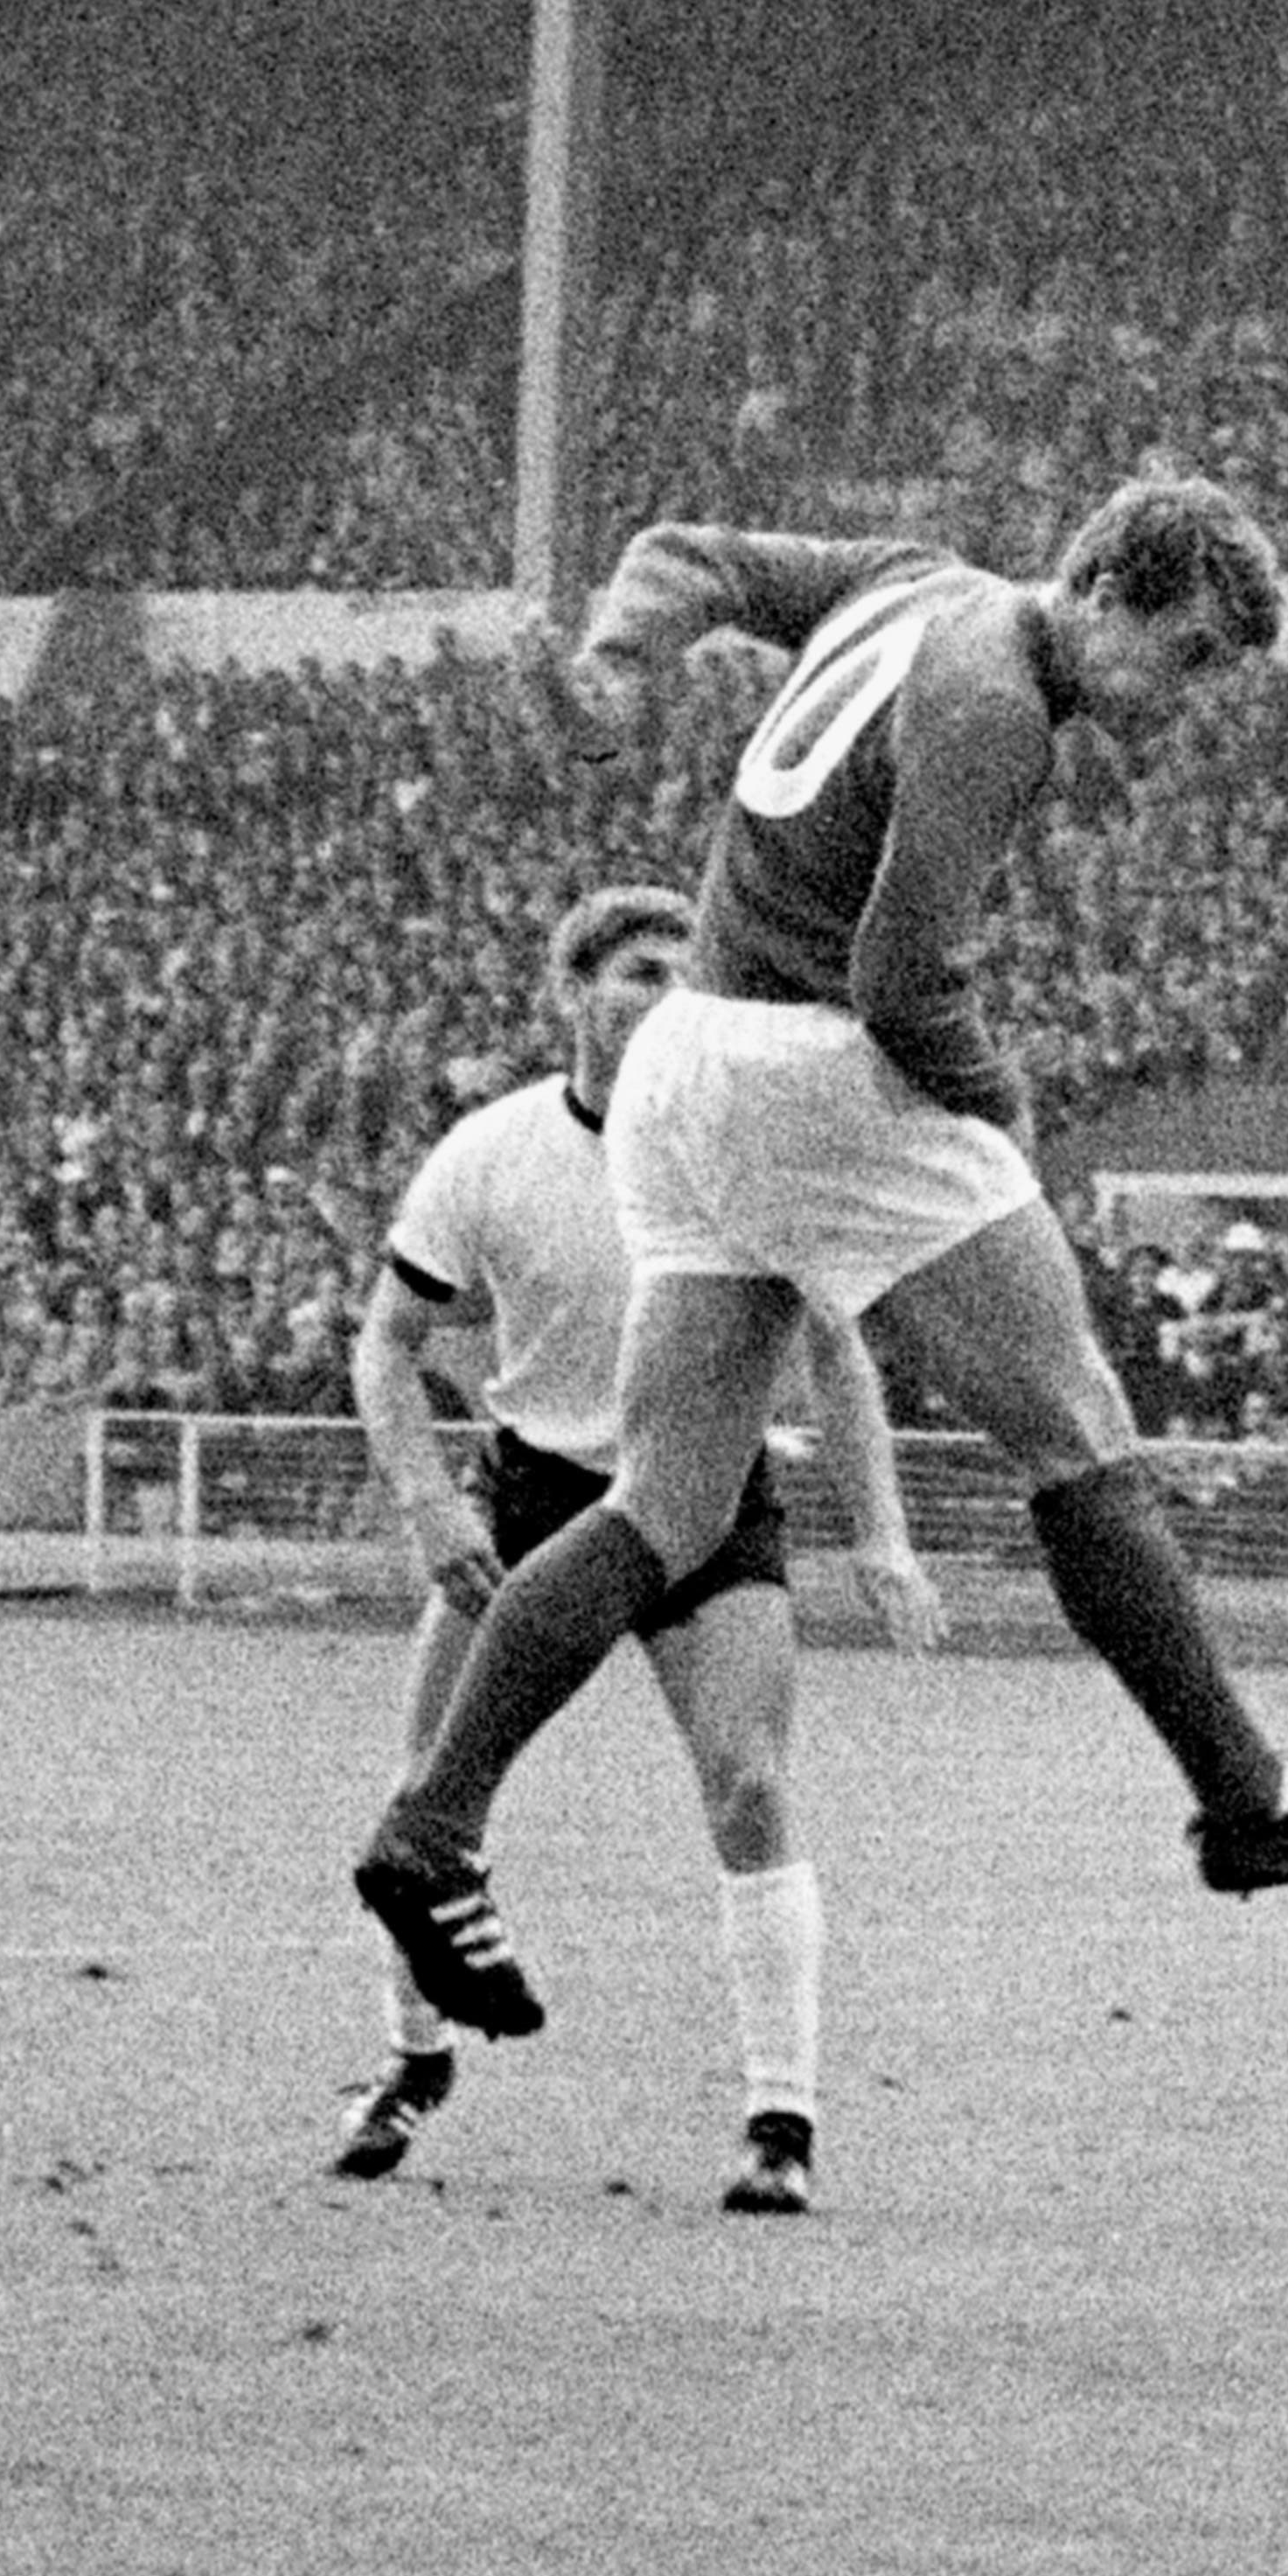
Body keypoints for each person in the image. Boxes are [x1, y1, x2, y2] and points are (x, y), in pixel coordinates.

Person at [348, 477, 1288, 2050]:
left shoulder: (909, 579)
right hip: (808, 1061)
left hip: (687, 1069)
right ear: (1102, 591)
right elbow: (902, 974)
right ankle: (1244, 1797)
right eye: (1186, 655)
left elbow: (692, 549)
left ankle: (431, 1829)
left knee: (661, 1503)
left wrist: (618, 655)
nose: (1184, 697)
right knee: (1078, 1427)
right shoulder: (999, 703)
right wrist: (995, 1099)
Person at [331, 886, 945, 2211]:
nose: (662, 991)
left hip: (707, 1500)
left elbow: (837, 1349)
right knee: (428, 1793)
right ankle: (411, 2058)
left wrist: (882, 1535)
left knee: (750, 1788)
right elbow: (385, 1339)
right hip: (534, 1500)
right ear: (574, 990)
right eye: (635, 970)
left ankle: (781, 2118)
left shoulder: (749, 1151)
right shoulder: (490, 1151)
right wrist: (431, 1504)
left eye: (685, 971)